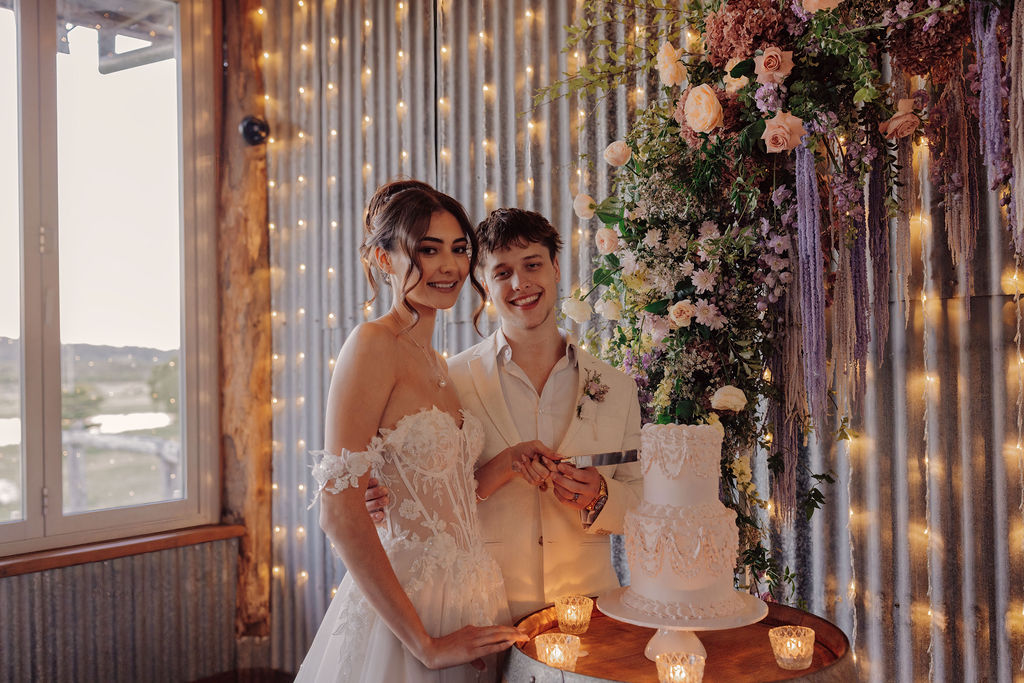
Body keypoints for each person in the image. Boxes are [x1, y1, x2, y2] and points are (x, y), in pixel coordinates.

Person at [296, 181, 526, 683]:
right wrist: (425, 645)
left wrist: (511, 462)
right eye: (428, 249)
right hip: (412, 609)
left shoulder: (439, 362)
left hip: (475, 593)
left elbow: (443, 495)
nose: (449, 267)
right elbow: (338, 512)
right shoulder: (372, 345)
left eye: (458, 249)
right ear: (383, 258)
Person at [368, 207, 643, 620]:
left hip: (590, 610)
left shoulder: (617, 387)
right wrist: (379, 497)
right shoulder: (449, 379)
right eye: (502, 273)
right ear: (485, 286)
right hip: (484, 608)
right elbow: (420, 488)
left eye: (532, 264)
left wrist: (601, 496)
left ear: (555, 267)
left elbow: (645, 504)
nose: (520, 283)